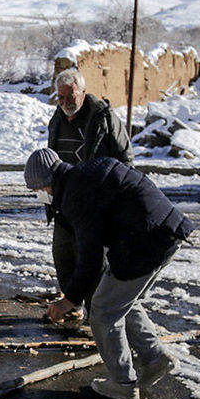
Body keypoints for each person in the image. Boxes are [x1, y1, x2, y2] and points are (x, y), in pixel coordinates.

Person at [24, 148, 194, 399]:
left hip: (143, 243)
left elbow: (90, 259)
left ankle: (123, 384)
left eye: (37, 190)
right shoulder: (85, 174)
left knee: (103, 312)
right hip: (166, 232)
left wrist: (68, 301)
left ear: (46, 183)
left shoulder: (75, 196)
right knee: (124, 302)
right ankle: (155, 359)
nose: (40, 195)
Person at [47, 68, 134, 303]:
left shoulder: (103, 118)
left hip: (94, 205)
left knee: (90, 261)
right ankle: (72, 305)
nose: (65, 102)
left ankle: (96, 313)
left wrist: (118, 200)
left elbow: (125, 160)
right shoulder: (57, 119)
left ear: (83, 93)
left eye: (71, 96)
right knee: (63, 258)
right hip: (64, 202)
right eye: (61, 97)